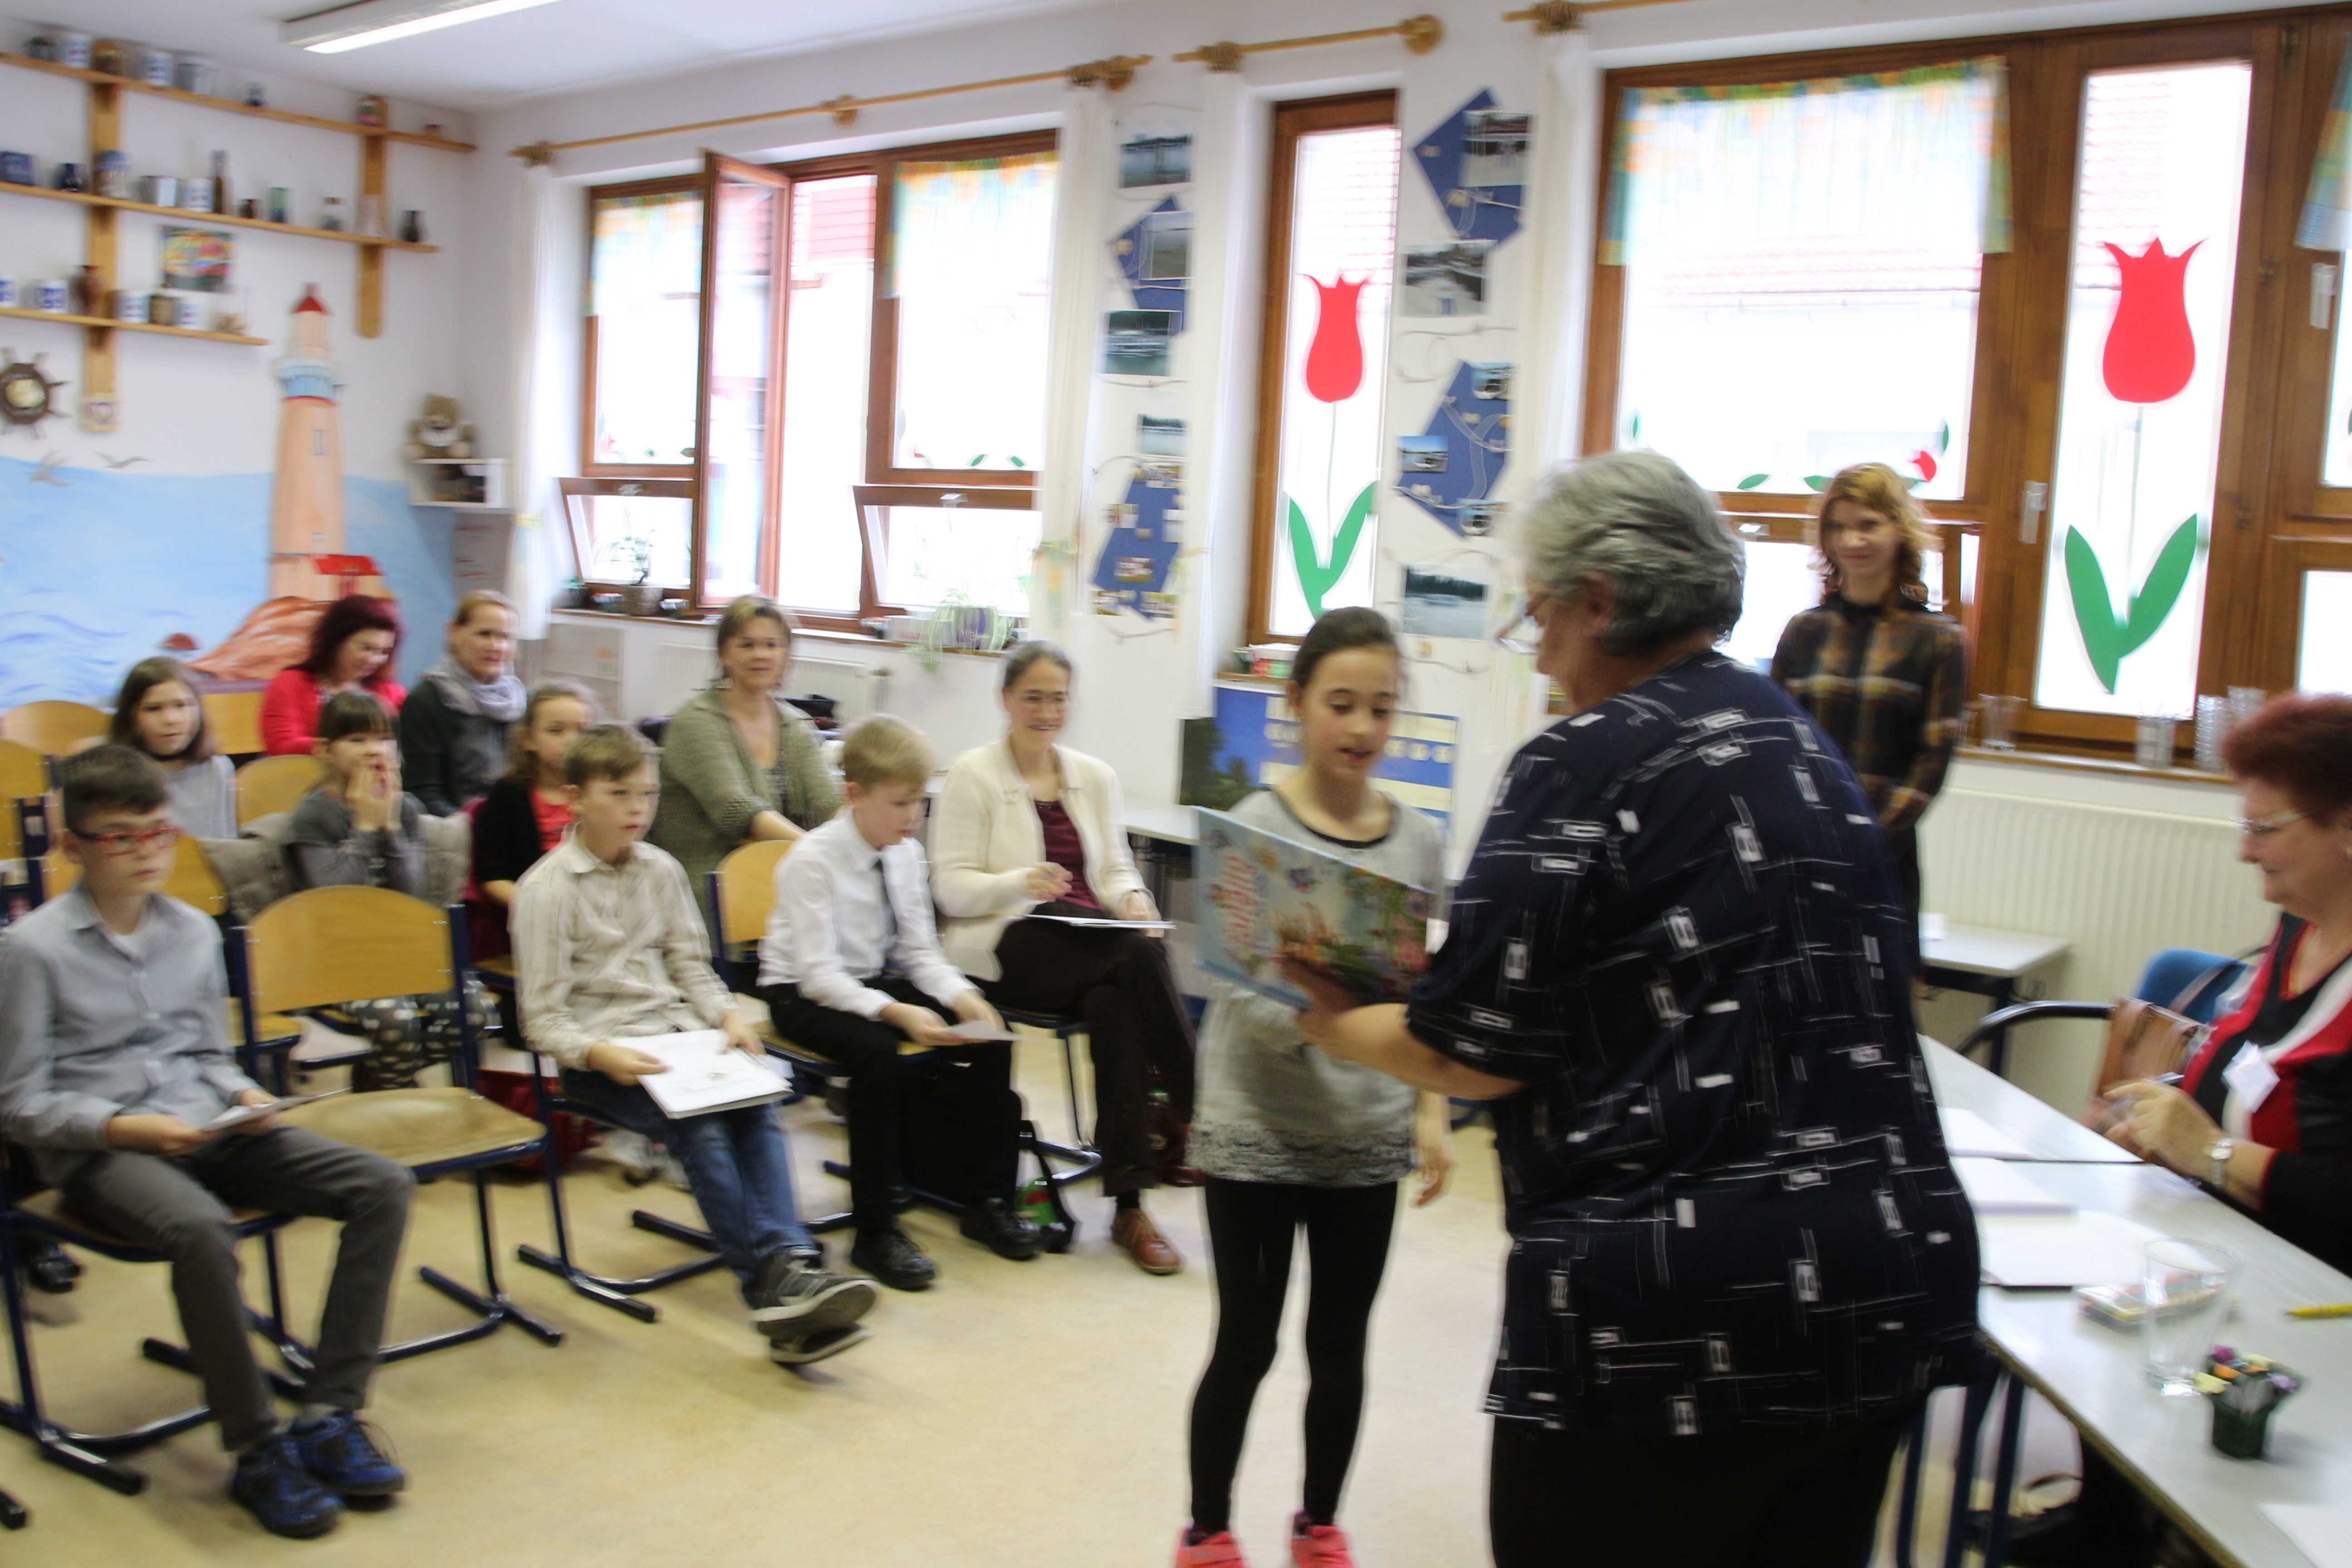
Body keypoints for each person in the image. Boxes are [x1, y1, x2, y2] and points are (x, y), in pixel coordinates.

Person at [1288, 452, 1983, 1568]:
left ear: (1599, 601)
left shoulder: (1582, 759)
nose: (1539, 649)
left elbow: (1471, 1053)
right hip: (1885, 1279)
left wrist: (1324, 1020)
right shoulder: (1795, 737)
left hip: (1679, 1306)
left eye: (1540, 615)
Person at [0, 746, 414, 1539]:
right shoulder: (32, 949)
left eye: (158, 832)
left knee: (383, 1185)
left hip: (204, 1124)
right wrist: (122, 1127)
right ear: (73, 845)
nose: (147, 851)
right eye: (120, 838)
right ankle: (256, 1447)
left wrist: (244, 1094)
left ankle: (329, 1412)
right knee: (199, 1228)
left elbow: (206, 1054)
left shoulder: (192, 929)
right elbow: (19, 1104)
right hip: (106, 1150)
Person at [2016, 695, 2352, 1568]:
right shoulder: (2295, 931)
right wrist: (2151, 1112)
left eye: (2264, 829)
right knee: (2086, 1326)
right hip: (2220, 1251)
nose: (2243, 851)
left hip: (2317, 1297)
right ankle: (2106, 1527)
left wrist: (2209, 1151)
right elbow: (2230, 1070)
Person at [1177, 607, 1455, 1568]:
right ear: (1294, 704)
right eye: (1341, 703)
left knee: (1339, 1353)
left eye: (1382, 707)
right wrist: (1330, 1022)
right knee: (1245, 1344)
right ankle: (1207, 1530)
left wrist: (1428, 1108)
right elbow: (1232, 982)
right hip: (1255, 1129)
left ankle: (1318, 1525)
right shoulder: (1250, 830)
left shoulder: (1418, 842)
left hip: (1364, 1136)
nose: (1362, 727)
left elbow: (1425, 996)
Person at [511, 723, 878, 1367]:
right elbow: (541, 1022)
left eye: (648, 795)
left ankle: (786, 1275)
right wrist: (600, 1055)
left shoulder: (661, 869)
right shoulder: (546, 889)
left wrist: (729, 1017)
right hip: (604, 1060)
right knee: (702, 1129)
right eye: (620, 794)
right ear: (575, 798)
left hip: (682, 1042)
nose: (638, 809)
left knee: (759, 1102)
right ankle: (775, 1282)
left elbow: (691, 968)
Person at [931, 641, 1197, 1275]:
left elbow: (1116, 869)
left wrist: (1134, 900)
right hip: (1007, 943)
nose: (1047, 712)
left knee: (1118, 1001)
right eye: (1033, 698)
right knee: (1134, 957)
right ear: (1005, 700)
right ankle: (1204, 1111)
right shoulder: (973, 773)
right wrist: (1020, 882)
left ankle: (1130, 1206)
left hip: (1093, 946)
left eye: (1058, 699)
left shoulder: (1094, 776)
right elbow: (950, 889)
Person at [760, 715, 1039, 1291]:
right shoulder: (811, 860)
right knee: (877, 1054)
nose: (913, 817)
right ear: (854, 795)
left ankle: (986, 1200)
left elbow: (918, 953)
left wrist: (963, 996)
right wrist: (897, 1012)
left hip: (872, 980)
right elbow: (818, 977)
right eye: (900, 804)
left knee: (992, 1033)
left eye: (919, 803)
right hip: (801, 993)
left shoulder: (906, 854)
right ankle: (875, 1229)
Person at [1769, 461, 1968, 942]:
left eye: (1868, 525)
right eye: (1837, 527)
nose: (1851, 540)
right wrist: (1796, 830)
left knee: (1882, 983)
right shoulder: (1805, 631)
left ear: (1899, 530)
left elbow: (1931, 764)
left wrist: (1866, 842)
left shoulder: (1939, 639)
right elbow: (1774, 742)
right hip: (1799, 853)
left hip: (1884, 859)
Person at [285, 691, 481, 1091]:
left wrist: (390, 825)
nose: (374, 751)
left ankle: (383, 1076)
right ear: (325, 751)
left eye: (385, 739)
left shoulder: (404, 807)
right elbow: (336, 897)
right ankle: (395, 1088)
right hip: (341, 957)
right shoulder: (313, 814)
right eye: (357, 740)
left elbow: (412, 897)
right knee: (396, 1021)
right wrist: (363, 825)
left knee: (474, 1012)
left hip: (403, 946)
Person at [650, 596, 838, 918]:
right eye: (747, 645)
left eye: (772, 645)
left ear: (787, 655)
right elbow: (740, 813)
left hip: (779, 891)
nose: (760, 655)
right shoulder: (696, 721)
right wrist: (824, 857)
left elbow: (828, 805)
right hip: (705, 900)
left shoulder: (794, 725)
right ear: (724, 654)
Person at [470, 680, 599, 947]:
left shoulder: (600, 791)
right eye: (556, 731)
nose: (572, 741)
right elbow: (494, 879)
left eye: (583, 731)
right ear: (528, 739)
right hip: (534, 925)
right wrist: (541, 908)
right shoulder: (509, 794)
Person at [399, 591, 524, 817]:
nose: (496, 646)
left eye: (506, 637)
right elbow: (423, 795)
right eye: (484, 634)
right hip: (453, 827)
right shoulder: (426, 701)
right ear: (453, 634)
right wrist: (479, 829)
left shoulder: (520, 701)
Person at [261, 595, 406, 757]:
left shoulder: (392, 693)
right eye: (367, 648)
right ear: (336, 641)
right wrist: (345, 749)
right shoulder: (290, 683)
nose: (375, 660)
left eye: (384, 652)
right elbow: (282, 747)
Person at [109, 655, 235, 840]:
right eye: (153, 709)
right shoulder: (114, 776)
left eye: (182, 705)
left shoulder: (218, 768)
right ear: (131, 717)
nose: (171, 719)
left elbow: (226, 842)